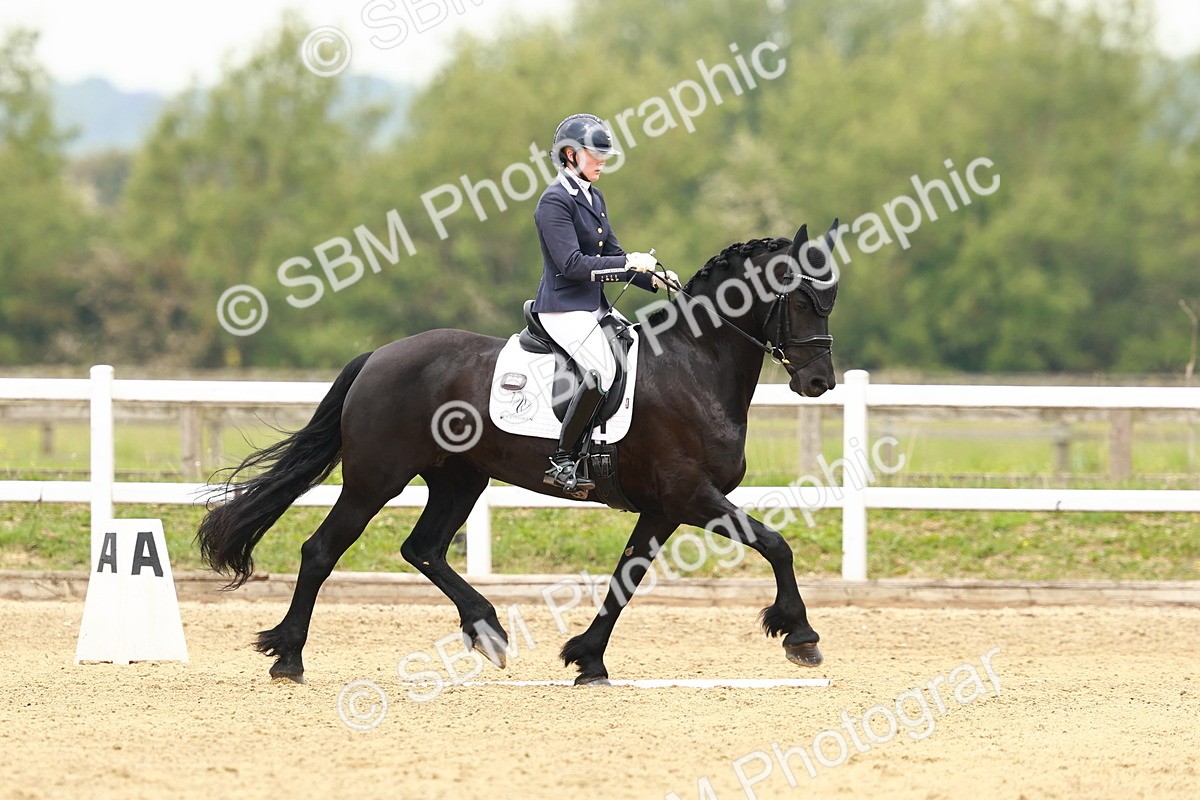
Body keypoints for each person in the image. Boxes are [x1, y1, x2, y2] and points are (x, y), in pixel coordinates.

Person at [532, 113, 678, 492]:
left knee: (637, 355)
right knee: (602, 372)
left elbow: (611, 253)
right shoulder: (554, 202)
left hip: (594, 307)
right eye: (594, 154)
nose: (602, 161)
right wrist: (628, 262)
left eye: (603, 154)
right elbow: (572, 265)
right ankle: (563, 460)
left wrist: (654, 278)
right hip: (563, 308)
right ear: (569, 155)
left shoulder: (594, 196)